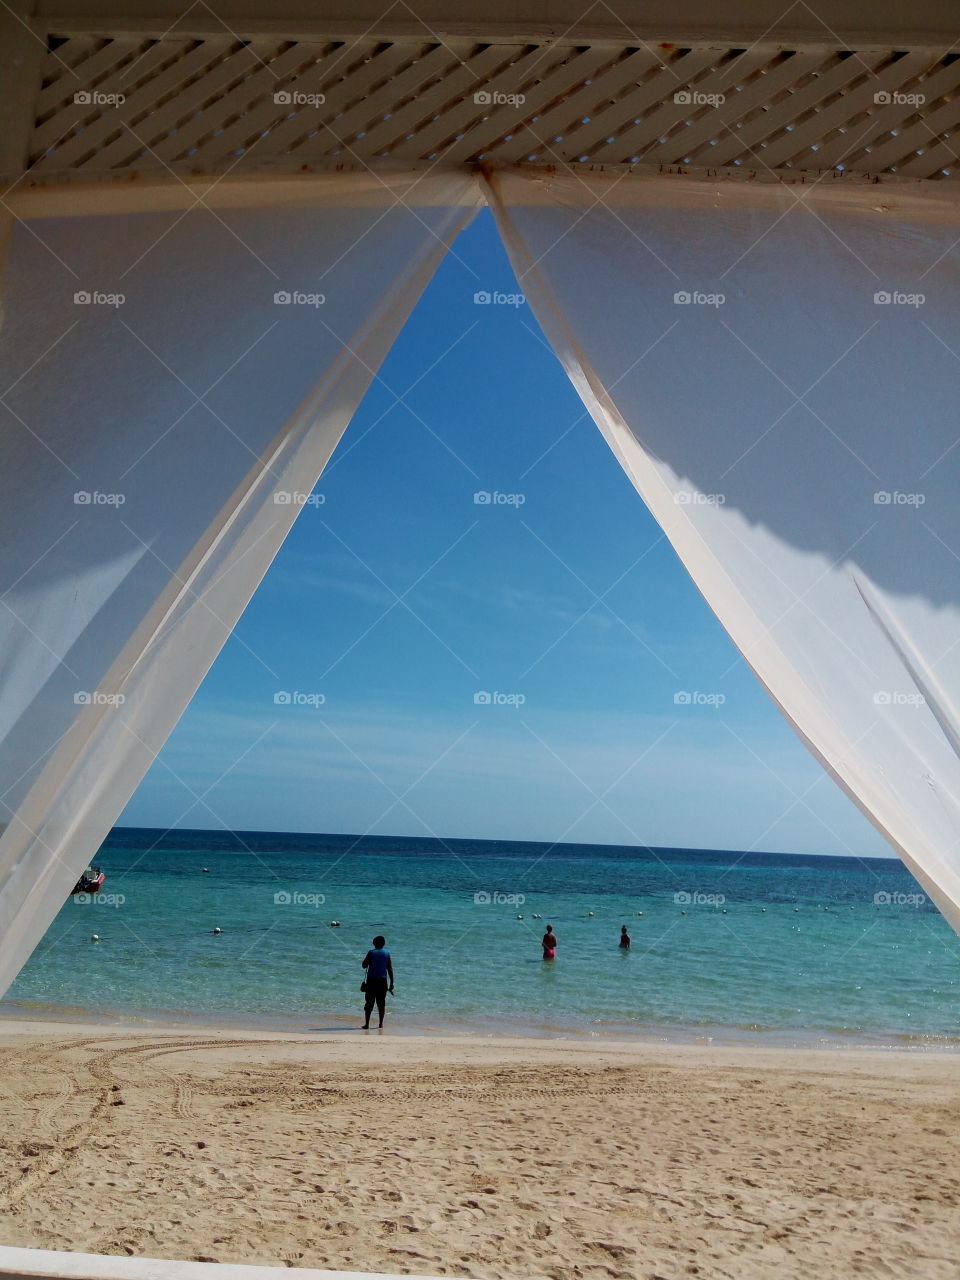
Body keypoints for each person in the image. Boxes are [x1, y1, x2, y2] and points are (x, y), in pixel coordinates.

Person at [361, 934, 394, 1029]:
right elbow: (390, 969)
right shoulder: (387, 953)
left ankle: (367, 1024)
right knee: (381, 1003)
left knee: (369, 1003)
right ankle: (380, 1024)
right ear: (384, 944)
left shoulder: (371, 952)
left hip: (371, 981)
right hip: (383, 981)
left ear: (374, 943)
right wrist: (392, 983)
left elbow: (364, 965)